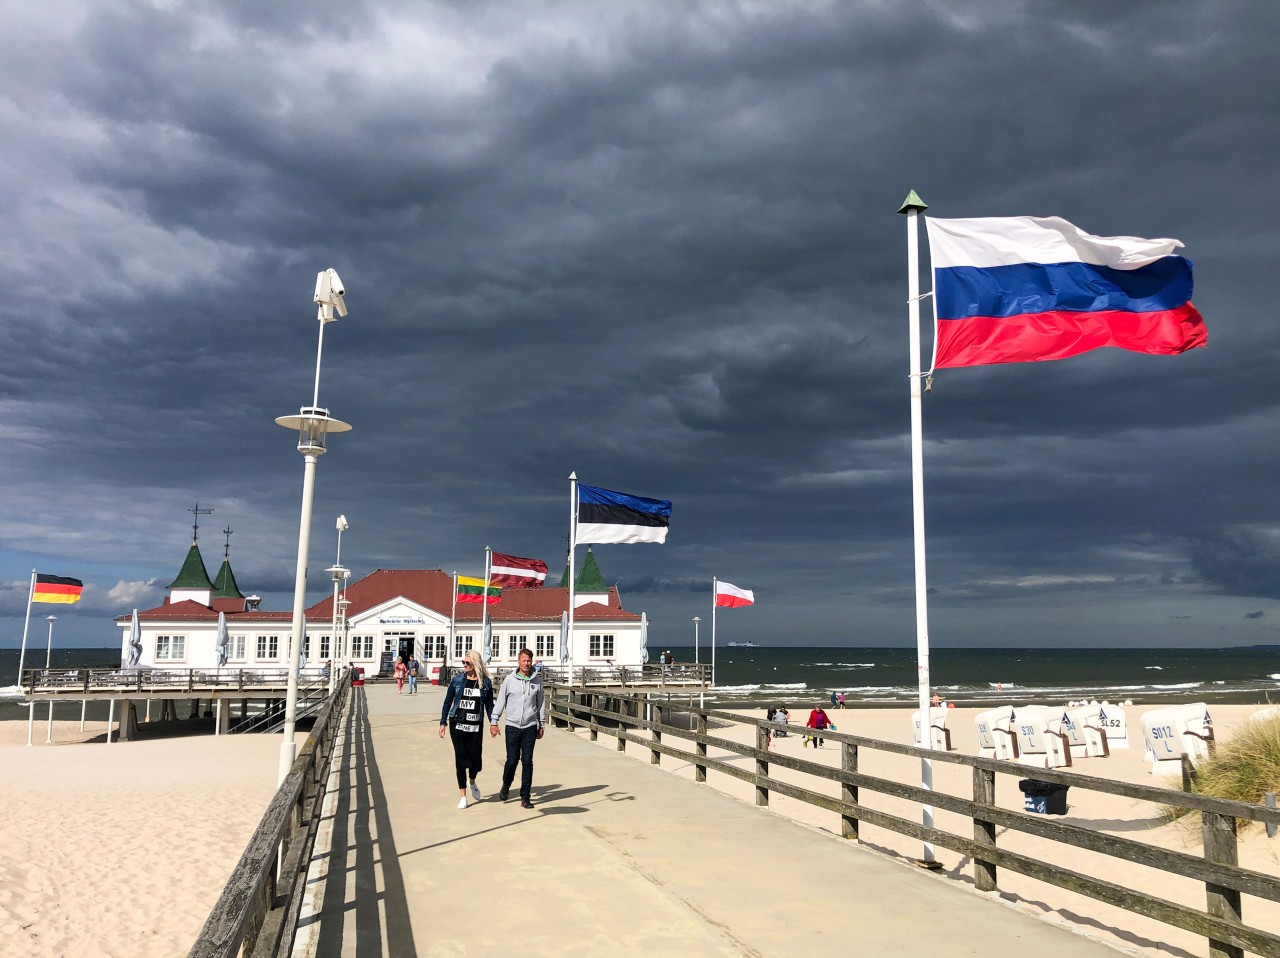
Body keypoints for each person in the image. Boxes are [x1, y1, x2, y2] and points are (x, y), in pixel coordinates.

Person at [489, 648, 546, 809]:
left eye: (529, 660)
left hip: (529, 726)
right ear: (518, 662)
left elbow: (540, 703)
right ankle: (506, 785)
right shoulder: (509, 680)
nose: (526, 663)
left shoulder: (537, 682)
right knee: (512, 760)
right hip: (512, 726)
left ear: (531, 662)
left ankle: (525, 797)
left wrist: (541, 723)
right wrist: (494, 721)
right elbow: (500, 701)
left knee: (527, 762)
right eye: (524, 660)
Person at [439, 650, 494, 808]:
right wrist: (442, 722)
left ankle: (472, 782)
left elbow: (489, 705)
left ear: (475, 664)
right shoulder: (457, 680)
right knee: (461, 760)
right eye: (463, 663)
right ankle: (463, 796)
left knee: (475, 761)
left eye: (467, 663)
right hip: (457, 724)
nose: (464, 665)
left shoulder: (485, 683)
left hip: (476, 725)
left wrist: (493, 723)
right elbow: (447, 702)